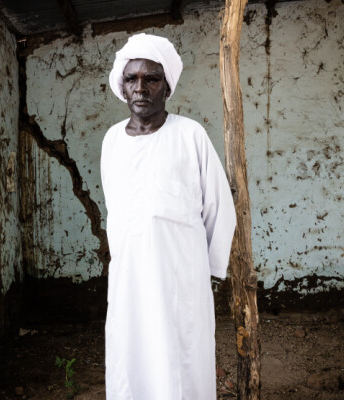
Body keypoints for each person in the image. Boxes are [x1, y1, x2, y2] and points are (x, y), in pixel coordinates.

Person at [101, 33, 237, 400]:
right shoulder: (112, 141)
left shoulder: (190, 135)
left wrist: (204, 271)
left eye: (152, 79)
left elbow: (219, 208)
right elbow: (117, 209)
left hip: (180, 280)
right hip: (129, 279)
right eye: (132, 79)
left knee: (181, 366)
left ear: (167, 87)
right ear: (122, 86)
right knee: (130, 360)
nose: (140, 88)